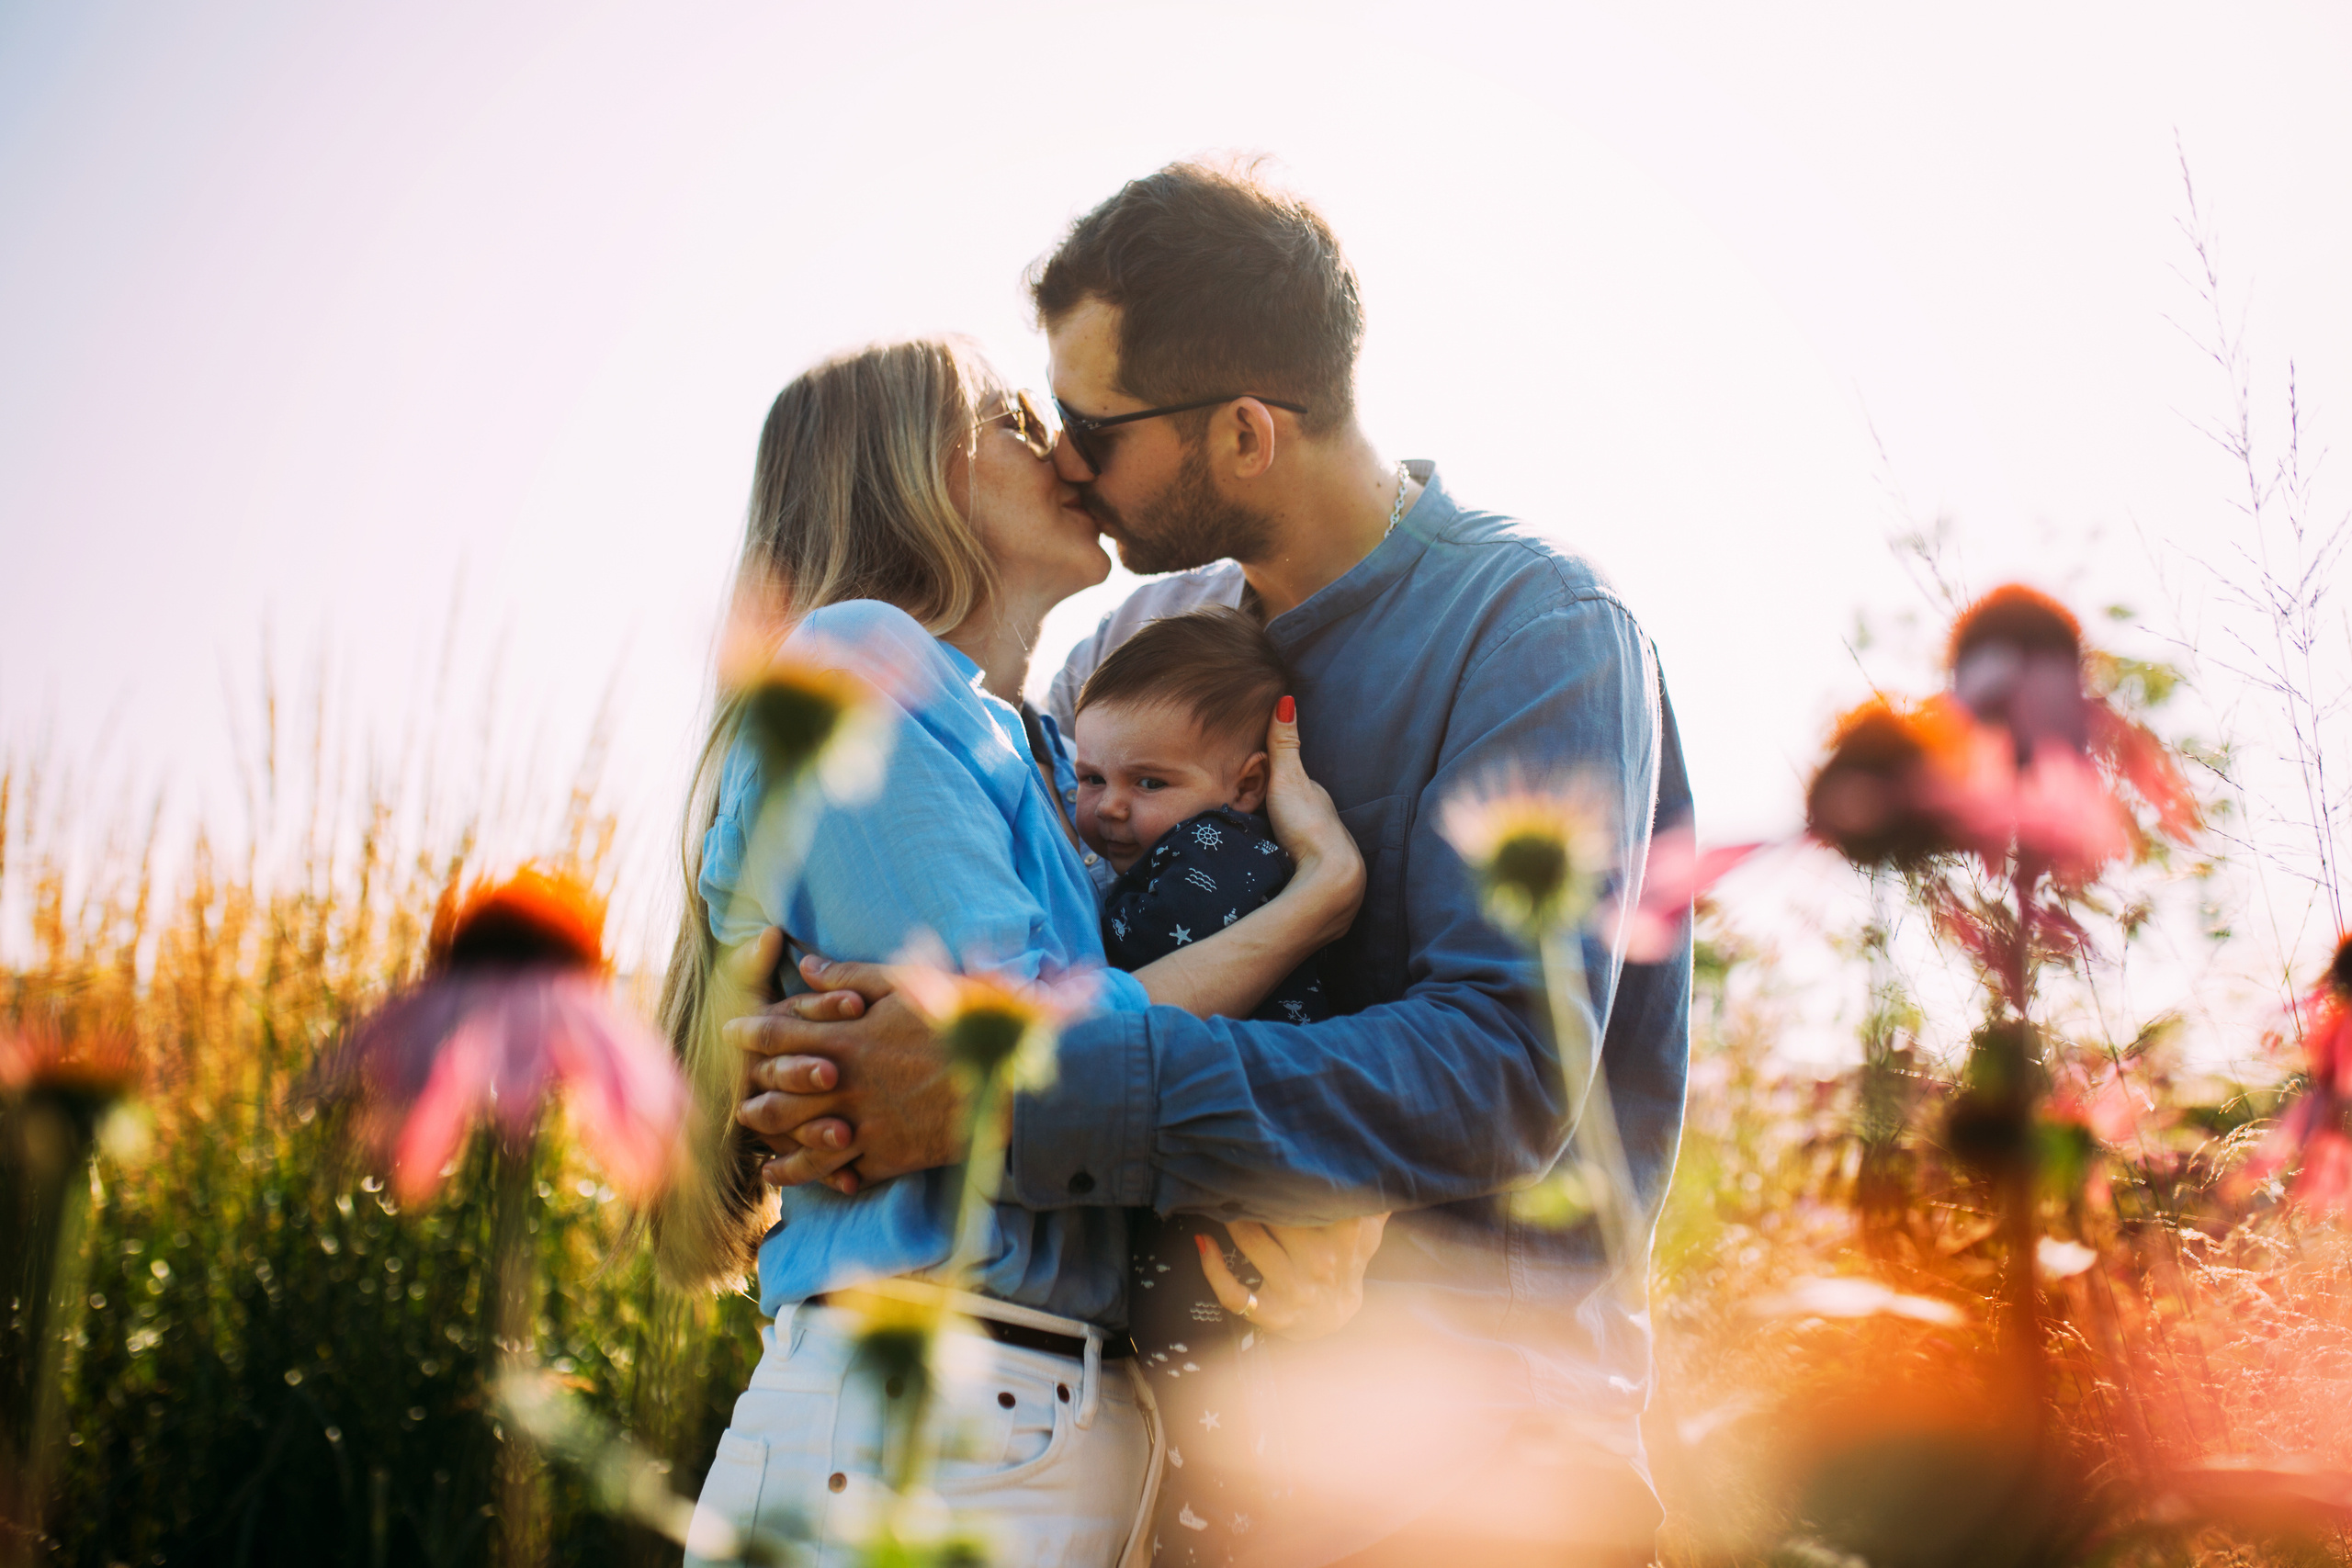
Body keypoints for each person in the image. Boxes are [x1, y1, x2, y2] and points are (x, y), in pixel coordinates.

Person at [735, 160, 1694, 1568]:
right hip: (1185, 1486)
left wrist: (1018, 1088)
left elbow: (1505, 1067)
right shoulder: (1121, 651)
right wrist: (794, 1056)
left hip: (1484, 1482)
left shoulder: (1535, 631)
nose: (1064, 456)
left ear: (1244, 433)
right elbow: (1009, 946)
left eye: (1091, 424)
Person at [656, 338, 1382, 1568]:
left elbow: (1095, 1073)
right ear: (921, 468)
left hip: (1045, 1423)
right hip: (923, 1421)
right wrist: (1316, 902)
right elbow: (1036, 1067)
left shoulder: (1050, 757)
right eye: (1009, 417)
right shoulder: (861, 665)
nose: (1066, 447)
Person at [1070, 604, 1341, 1564]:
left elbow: (1125, 975)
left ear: (1245, 784)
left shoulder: (1219, 859)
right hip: (1209, 1169)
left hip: (1227, 1181)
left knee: (1201, 1361)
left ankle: (1213, 1527)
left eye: (1148, 782)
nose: (1107, 806)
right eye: (1089, 776)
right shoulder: (1166, 849)